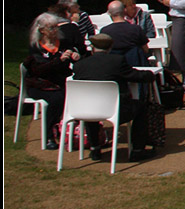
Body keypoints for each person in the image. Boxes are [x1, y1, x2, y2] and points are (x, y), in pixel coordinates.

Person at [70, 32, 159, 162]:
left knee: (91, 106)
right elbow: (135, 76)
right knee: (141, 107)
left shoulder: (80, 66)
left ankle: (95, 148)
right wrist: (150, 74)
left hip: (85, 110)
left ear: (92, 48)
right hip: (116, 110)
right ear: (110, 47)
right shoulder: (117, 61)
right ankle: (138, 150)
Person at [23, 12, 80, 150]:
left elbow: (74, 54)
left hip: (61, 82)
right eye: (51, 28)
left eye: (56, 27)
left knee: (77, 94)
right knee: (57, 99)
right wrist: (58, 61)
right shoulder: (36, 48)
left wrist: (74, 55)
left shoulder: (63, 43)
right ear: (42, 30)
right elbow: (39, 70)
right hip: (41, 84)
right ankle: (49, 134)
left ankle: (73, 131)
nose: (55, 31)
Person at [100, 0, 152, 67]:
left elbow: (102, 53)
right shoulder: (136, 29)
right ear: (124, 11)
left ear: (109, 14)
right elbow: (146, 49)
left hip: (113, 67)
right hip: (135, 67)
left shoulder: (104, 31)